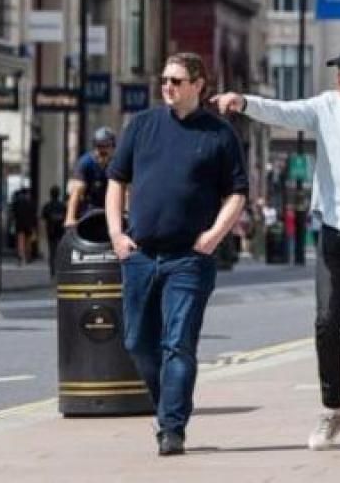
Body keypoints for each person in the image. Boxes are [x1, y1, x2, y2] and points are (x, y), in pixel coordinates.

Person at [212, 38, 340, 453]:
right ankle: (333, 410)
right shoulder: (326, 107)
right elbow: (283, 110)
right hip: (334, 228)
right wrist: (243, 101)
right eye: (339, 69)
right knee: (326, 320)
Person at [106, 52, 248, 457]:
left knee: (178, 344)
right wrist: (117, 234)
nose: (168, 86)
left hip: (189, 257)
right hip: (140, 254)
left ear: (199, 84)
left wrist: (215, 235)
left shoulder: (219, 134)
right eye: (164, 79)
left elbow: (237, 192)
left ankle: (172, 428)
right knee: (137, 342)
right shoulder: (141, 126)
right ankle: (168, 404)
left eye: (177, 80)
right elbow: (117, 180)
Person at [66, 127, 116, 227]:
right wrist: (70, 218)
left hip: (111, 210)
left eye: (106, 146)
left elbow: (126, 190)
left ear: (112, 147)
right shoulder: (86, 163)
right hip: (89, 210)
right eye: (99, 146)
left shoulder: (117, 163)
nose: (102, 150)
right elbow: (76, 191)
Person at [41, 185, 68, 275]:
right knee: (60, 251)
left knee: (52, 252)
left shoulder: (47, 206)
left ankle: (52, 271)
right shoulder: (62, 206)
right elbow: (66, 218)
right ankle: (60, 269)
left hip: (51, 231)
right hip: (60, 231)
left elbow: (43, 219)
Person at [11, 186, 38, 265]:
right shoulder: (31, 202)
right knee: (28, 241)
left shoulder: (17, 202)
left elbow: (14, 213)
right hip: (29, 224)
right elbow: (34, 214)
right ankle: (28, 257)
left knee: (20, 240)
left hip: (19, 223)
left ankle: (21, 257)